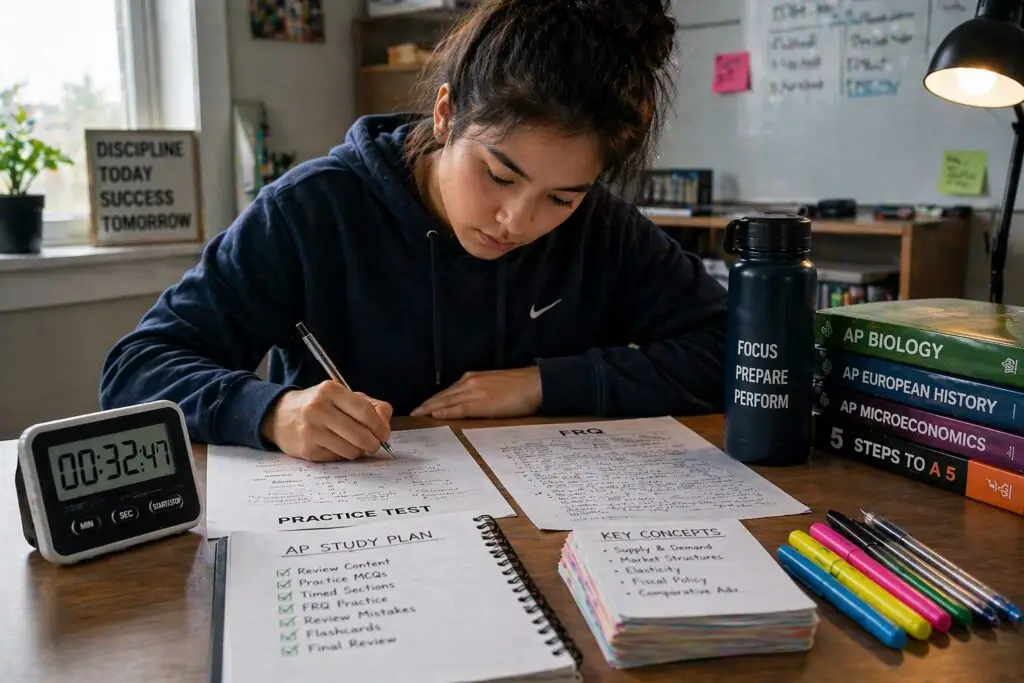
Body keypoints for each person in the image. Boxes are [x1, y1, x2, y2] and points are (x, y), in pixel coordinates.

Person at [99, 0, 729, 463]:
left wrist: (546, 383)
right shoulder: (311, 212)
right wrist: (268, 412)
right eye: (499, 175)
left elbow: (735, 350)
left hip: (550, 532)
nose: (518, 221)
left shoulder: (600, 229)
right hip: (351, 541)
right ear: (446, 111)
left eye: (561, 197)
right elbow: (136, 371)